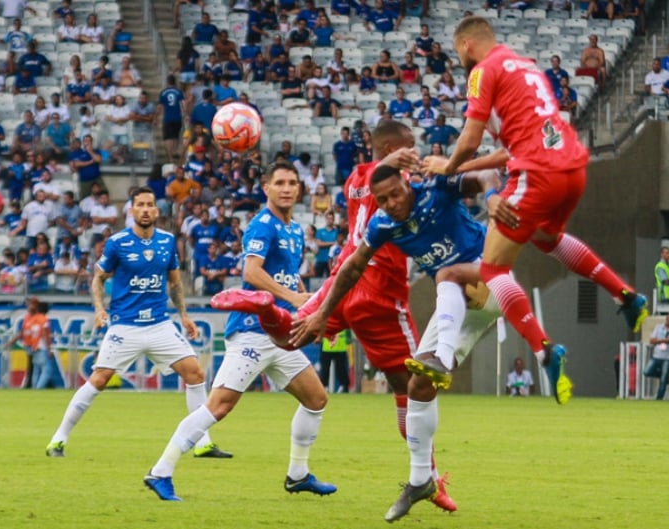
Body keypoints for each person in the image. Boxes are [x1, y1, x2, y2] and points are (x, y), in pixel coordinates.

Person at [209, 123, 459, 514]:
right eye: (410, 150)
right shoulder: (396, 187)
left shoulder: (356, 180)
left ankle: (263, 307)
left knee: (289, 336)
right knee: (416, 388)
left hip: (339, 283)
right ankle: (425, 477)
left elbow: (371, 180)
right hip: (379, 291)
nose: (415, 157)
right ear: (395, 149)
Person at [420, 16, 649, 405]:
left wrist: (450, 165)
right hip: (572, 168)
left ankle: (545, 350)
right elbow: (509, 149)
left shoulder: (481, 71)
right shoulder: (525, 67)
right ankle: (624, 295)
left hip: (537, 174)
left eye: (459, 51)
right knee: (547, 237)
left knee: (493, 270)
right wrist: (472, 170)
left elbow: (471, 138)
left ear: (466, 45)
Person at [288, 160, 503, 522]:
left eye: (395, 194)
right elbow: (353, 266)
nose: (391, 203)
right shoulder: (383, 223)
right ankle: (421, 480)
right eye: (382, 199)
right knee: (418, 386)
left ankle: (443, 357)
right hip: (460, 301)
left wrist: (493, 195)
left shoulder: (437, 189)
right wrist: (323, 314)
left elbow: (486, 176)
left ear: (407, 183)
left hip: (487, 279)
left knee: (447, 280)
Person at [143, 162, 335, 502]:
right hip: (252, 332)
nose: (287, 188)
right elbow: (252, 272)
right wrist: (292, 297)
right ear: (267, 188)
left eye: (292, 182)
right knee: (218, 407)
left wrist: (305, 311)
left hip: (283, 333)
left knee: (316, 399)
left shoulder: (293, 229)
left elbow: (289, 277)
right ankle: (160, 471)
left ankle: (298, 474)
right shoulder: (262, 225)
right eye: (280, 183)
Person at [44, 187, 230, 459]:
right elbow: (98, 278)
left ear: (156, 210)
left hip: (159, 325)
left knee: (195, 374)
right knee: (100, 379)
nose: (145, 209)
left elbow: (175, 284)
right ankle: (58, 439)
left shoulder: (167, 241)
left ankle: (202, 443)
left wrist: (184, 316)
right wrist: (99, 310)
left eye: (149, 204)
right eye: (139, 205)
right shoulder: (117, 242)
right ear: (131, 211)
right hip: (125, 325)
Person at [5, 297, 52, 389]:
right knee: (47, 370)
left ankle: (35, 387)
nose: (29, 306)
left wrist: (12, 342)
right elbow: (45, 334)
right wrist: (49, 348)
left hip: (31, 346)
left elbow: (23, 332)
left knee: (36, 369)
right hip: (39, 346)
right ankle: (38, 388)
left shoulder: (29, 318)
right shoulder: (41, 318)